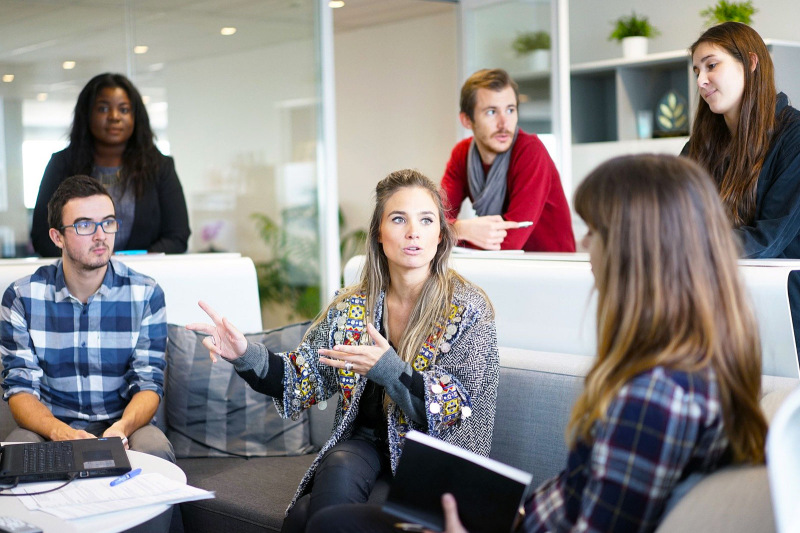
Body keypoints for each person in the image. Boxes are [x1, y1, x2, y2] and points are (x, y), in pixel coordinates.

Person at [311, 155, 769, 533]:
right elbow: (582, 497)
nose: (584, 244)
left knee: (331, 525)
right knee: (323, 520)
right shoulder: (686, 370)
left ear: (637, 252)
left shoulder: (654, 398)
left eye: (595, 231)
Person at [188, 169, 499, 532]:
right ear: (379, 233)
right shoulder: (352, 306)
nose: (413, 231)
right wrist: (244, 354)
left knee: (304, 517)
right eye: (399, 219)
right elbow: (301, 377)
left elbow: (455, 408)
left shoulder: (468, 309)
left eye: (426, 220)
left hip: (433, 456)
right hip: (364, 445)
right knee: (336, 468)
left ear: (440, 235)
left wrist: (389, 370)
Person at [1, 175, 174, 463]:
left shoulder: (146, 294)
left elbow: (148, 383)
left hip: (124, 425)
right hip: (50, 427)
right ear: (57, 237)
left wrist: (121, 429)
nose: (100, 235)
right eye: (84, 225)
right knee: (17, 453)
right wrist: (60, 432)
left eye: (108, 222)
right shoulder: (21, 297)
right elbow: (20, 389)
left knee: (155, 450)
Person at [682, 22, 800, 357]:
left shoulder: (794, 137)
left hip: (784, 317)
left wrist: (685, 247)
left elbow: (768, 239)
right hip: (716, 313)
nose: (701, 81)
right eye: (697, 71)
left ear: (750, 62)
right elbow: (671, 216)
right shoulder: (699, 146)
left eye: (711, 65)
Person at [30, 72, 190, 257]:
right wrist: (91, 261)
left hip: (144, 272)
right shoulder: (62, 165)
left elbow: (177, 236)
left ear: (136, 116)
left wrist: (129, 263)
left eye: (124, 110)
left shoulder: (160, 167)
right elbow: (43, 237)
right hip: (79, 273)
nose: (114, 117)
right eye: (103, 109)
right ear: (87, 114)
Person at [440, 68, 574, 252]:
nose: (504, 123)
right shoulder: (462, 154)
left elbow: (510, 242)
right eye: (491, 112)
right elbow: (433, 220)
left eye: (510, 110)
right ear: (467, 120)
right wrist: (462, 229)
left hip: (550, 265)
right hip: (500, 264)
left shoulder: (530, 151)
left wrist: (451, 232)